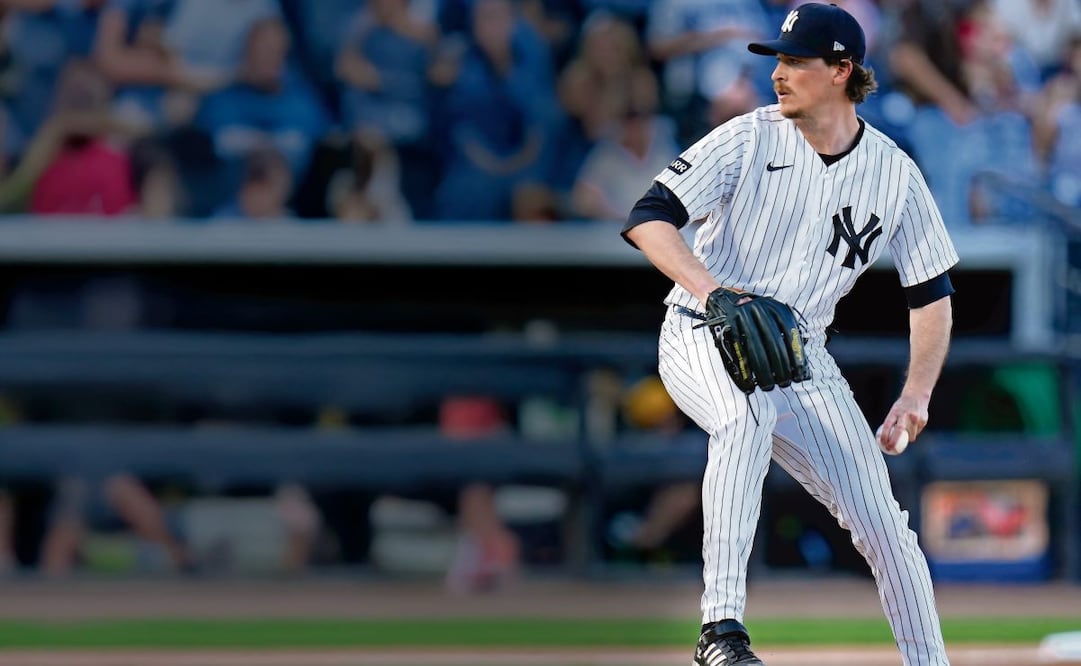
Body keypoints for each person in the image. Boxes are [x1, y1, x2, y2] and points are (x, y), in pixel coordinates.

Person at [621, 5, 957, 665]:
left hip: (799, 354)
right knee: (742, 417)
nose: (778, 73)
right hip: (698, 329)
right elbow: (649, 217)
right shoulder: (747, 136)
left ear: (841, 71)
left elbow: (930, 294)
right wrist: (711, 290)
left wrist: (915, 394)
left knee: (885, 528)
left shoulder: (893, 173)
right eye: (776, 58)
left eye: (796, 60)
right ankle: (720, 631)